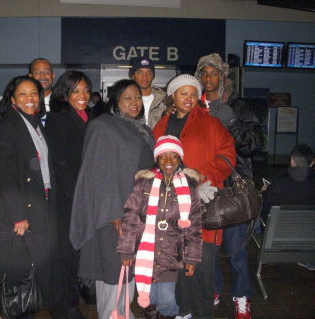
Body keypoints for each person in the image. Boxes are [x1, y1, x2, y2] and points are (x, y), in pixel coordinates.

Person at [70, 79, 155, 319]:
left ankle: (123, 313)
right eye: (127, 97)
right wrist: (114, 213)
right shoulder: (103, 126)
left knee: (128, 268)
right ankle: (113, 314)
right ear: (115, 101)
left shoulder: (142, 129)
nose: (134, 102)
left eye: (138, 97)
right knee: (112, 269)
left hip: (138, 212)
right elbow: (97, 173)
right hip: (112, 214)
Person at [153, 74, 236, 319]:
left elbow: (228, 156)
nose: (189, 98)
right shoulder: (162, 124)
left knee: (201, 268)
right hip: (170, 207)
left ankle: (202, 313)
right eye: (183, 93)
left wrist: (201, 176)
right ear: (172, 96)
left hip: (203, 205)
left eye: (193, 93)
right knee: (176, 266)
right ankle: (183, 311)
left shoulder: (211, 124)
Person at [0, 76, 62, 319]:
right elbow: (5, 175)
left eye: (34, 94)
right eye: (23, 94)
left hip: (39, 204)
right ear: (12, 100)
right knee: (16, 271)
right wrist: (19, 215)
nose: (30, 99)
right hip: (18, 210)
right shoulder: (5, 126)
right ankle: (9, 310)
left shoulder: (37, 124)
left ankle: (22, 309)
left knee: (29, 267)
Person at [195, 53, 264, 319]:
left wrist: (232, 121)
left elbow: (254, 145)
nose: (208, 78)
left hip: (233, 188)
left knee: (235, 250)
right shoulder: (194, 105)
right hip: (206, 186)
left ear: (223, 77)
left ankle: (241, 297)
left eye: (213, 73)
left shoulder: (238, 105)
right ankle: (213, 289)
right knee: (208, 248)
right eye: (204, 73)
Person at [117, 135, 203, 319]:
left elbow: (194, 226)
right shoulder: (144, 184)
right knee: (150, 299)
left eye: (173, 155)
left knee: (166, 299)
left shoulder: (188, 187)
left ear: (180, 158)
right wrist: (126, 250)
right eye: (163, 156)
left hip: (171, 253)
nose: (168, 161)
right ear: (156, 159)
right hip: (145, 252)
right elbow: (131, 217)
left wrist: (192, 258)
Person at [45, 70, 93, 319]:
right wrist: (75, 199)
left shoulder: (85, 116)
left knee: (74, 255)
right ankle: (64, 308)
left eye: (85, 89)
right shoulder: (60, 117)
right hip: (67, 200)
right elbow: (60, 162)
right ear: (65, 93)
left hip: (79, 197)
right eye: (76, 90)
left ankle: (70, 303)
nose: (82, 95)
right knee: (65, 256)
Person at [261, 144, 315, 221]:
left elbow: (265, 211)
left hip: (278, 230)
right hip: (310, 231)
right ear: (312, 163)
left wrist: (264, 193)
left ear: (292, 161)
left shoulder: (278, 184)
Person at [129, 57, 167, 129]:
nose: (144, 76)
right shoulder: (124, 101)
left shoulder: (165, 100)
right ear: (133, 76)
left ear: (153, 76)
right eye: (139, 73)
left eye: (149, 73)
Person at [28, 57, 55, 125]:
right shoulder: (23, 102)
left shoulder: (63, 101)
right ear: (30, 76)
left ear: (53, 75)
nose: (42, 76)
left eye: (47, 72)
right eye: (37, 72)